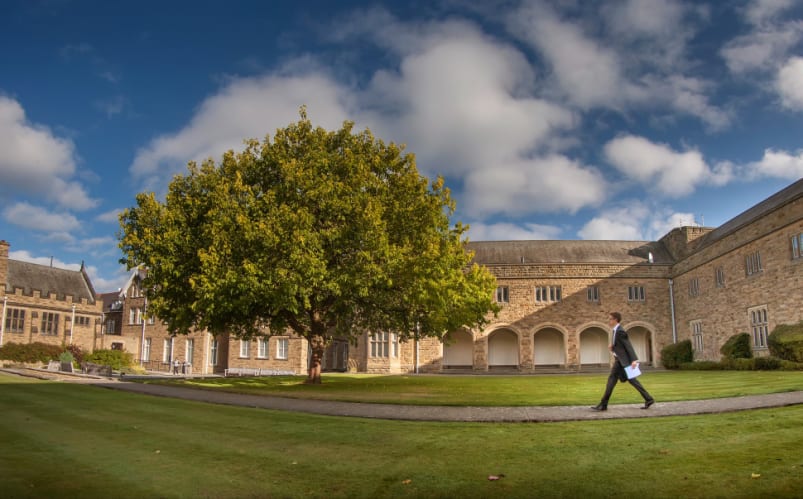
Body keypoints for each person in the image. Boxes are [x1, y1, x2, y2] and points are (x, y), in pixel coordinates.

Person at [591, 312, 655, 411]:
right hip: (621, 361)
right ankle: (649, 399)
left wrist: (634, 360)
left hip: (623, 362)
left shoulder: (620, 331)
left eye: (610, 319)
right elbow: (621, 347)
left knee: (612, 380)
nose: (609, 321)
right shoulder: (616, 331)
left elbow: (628, 345)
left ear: (615, 320)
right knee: (631, 380)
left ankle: (603, 404)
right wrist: (613, 348)